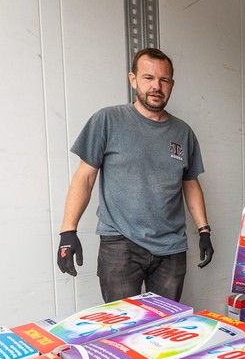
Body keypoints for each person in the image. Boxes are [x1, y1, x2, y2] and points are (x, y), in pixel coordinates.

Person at [56, 47, 214, 302]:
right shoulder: (107, 120)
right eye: (148, 78)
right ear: (133, 79)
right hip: (120, 244)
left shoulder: (183, 132)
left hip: (171, 249)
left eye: (164, 80)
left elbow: (190, 183)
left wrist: (204, 230)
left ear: (172, 84)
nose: (156, 86)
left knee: (164, 328)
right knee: (122, 328)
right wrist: (67, 232)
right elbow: (84, 177)